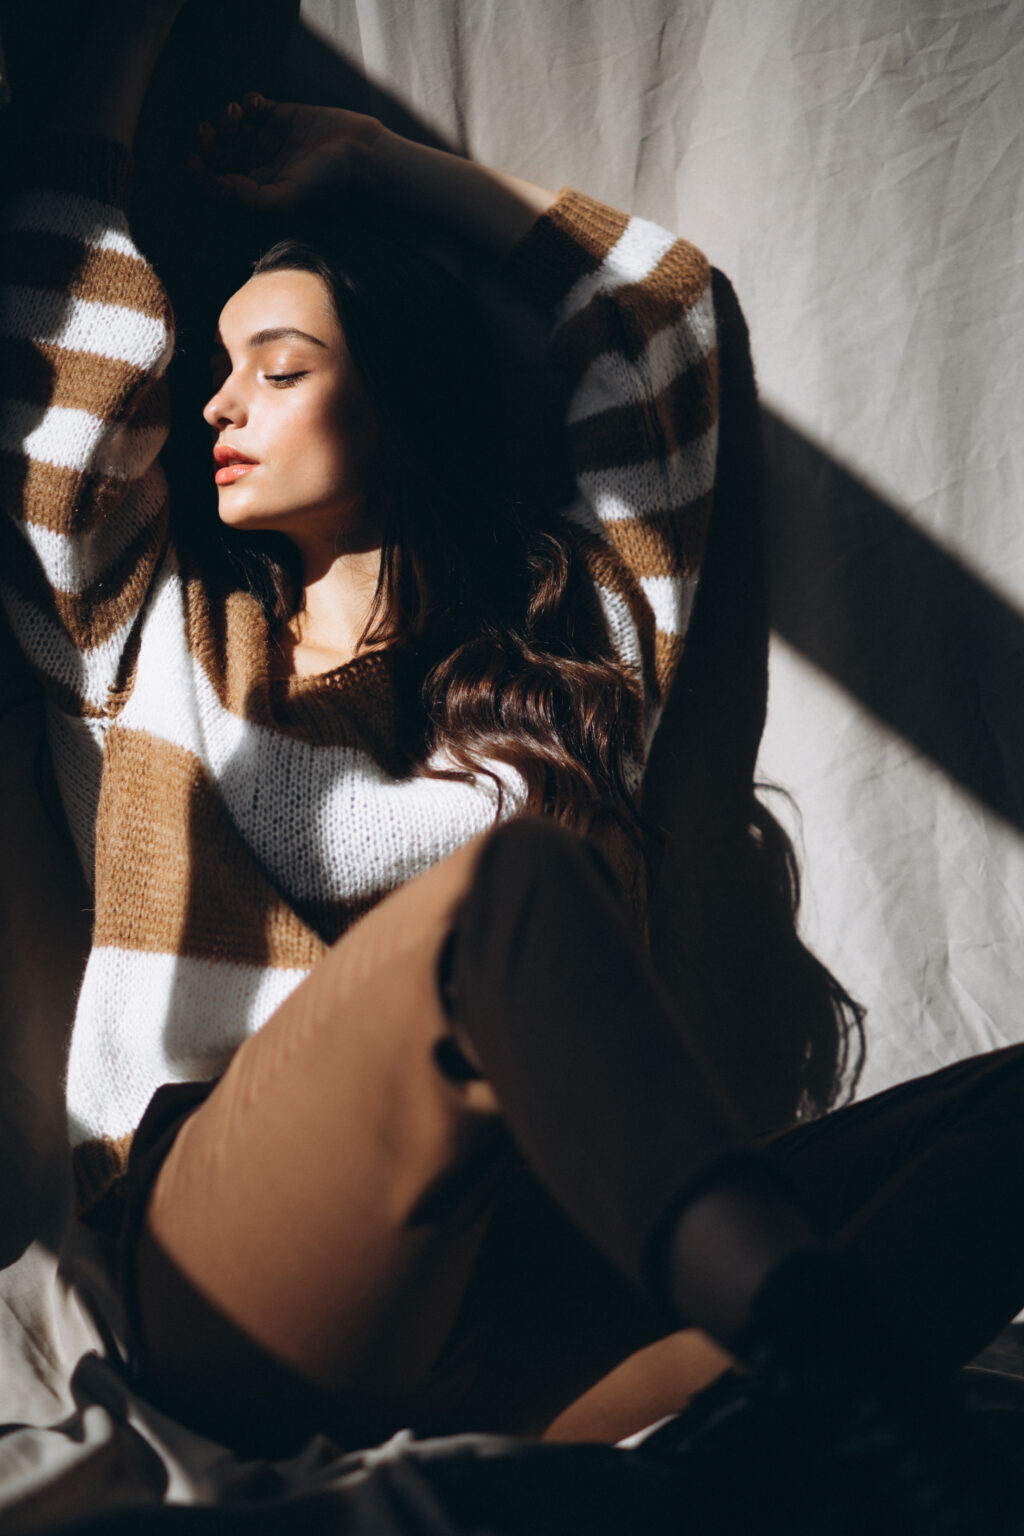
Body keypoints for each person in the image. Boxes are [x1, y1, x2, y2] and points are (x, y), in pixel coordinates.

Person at [3, 2, 1024, 1528]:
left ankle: (778, 1423)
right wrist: (128, 41)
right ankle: (829, 1356)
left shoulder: (567, 653)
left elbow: (662, 316)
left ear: (400, 400)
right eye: (220, 367)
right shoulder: (160, 640)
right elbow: (65, 372)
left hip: (519, 1307)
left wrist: (380, 160)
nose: (217, 404)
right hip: (234, 1278)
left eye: (278, 367)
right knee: (504, 894)